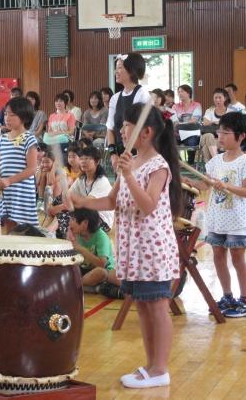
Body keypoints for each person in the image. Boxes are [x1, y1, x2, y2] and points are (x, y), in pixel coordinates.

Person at [72, 103, 182, 389]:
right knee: (143, 307)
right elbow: (111, 201)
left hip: (153, 250)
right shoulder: (129, 161)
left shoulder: (158, 166)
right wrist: (82, 202)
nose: (121, 131)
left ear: (146, 132)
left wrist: (130, 175)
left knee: (157, 308)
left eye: (127, 126)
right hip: (133, 250)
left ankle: (160, 369)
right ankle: (151, 365)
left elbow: (148, 205)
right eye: (121, 126)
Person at [185, 112, 246, 318]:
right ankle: (227, 296)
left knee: (238, 259)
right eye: (220, 132)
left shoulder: (245, 162)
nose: (220, 136)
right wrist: (190, 182)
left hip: (236, 222)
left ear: (241, 136)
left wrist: (226, 186)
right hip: (216, 220)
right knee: (218, 257)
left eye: (226, 132)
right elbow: (204, 185)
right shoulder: (216, 161)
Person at [0, 97, 38, 233]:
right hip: (6, 191)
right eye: (5, 114)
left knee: (24, 230)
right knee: (7, 226)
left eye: (12, 115)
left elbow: (32, 169)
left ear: (24, 117)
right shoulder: (1, 140)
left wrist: (9, 180)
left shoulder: (29, 138)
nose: (7, 118)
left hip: (22, 192)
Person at [106, 53, 150, 168]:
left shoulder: (142, 94)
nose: (116, 72)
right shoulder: (115, 98)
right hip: (120, 155)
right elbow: (110, 128)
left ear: (132, 71)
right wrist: (113, 154)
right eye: (116, 68)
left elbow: (140, 127)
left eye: (120, 68)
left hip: (137, 155)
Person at [66, 208, 119, 288]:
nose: (69, 222)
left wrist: (81, 249)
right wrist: (68, 241)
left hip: (103, 272)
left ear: (85, 223)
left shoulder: (101, 237)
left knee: (101, 272)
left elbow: (102, 264)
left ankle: (76, 286)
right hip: (84, 270)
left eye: (73, 219)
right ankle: (84, 286)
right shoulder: (77, 234)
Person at [70, 146, 113, 231]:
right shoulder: (81, 179)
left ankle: (54, 232)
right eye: (81, 159)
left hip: (101, 221)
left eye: (87, 158)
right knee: (59, 203)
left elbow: (88, 202)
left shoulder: (102, 181)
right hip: (85, 215)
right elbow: (68, 195)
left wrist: (63, 206)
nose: (83, 161)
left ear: (97, 161)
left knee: (67, 214)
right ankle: (50, 231)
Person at [173, 84, 202, 165]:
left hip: (192, 133)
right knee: (168, 141)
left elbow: (194, 120)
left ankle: (190, 164)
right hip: (177, 134)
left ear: (188, 93)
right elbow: (174, 121)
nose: (179, 94)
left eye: (182, 91)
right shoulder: (175, 106)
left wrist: (180, 123)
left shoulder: (196, 105)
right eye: (178, 92)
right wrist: (180, 123)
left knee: (192, 142)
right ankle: (180, 163)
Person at [200, 87, 229, 162]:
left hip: (221, 139)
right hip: (206, 136)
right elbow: (205, 123)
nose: (217, 100)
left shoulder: (230, 112)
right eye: (215, 98)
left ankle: (210, 167)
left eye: (220, 97)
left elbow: (230, 126)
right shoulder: (209, 111)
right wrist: (216, 122)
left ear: (225, 98)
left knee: (206, 148)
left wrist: (213, 122)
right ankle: (216, 160)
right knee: (209, 136)